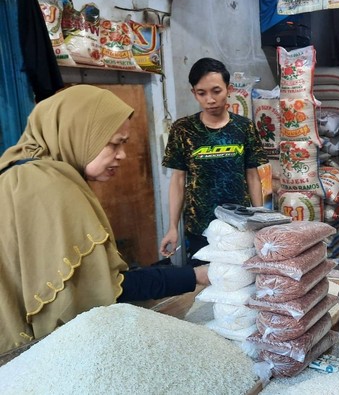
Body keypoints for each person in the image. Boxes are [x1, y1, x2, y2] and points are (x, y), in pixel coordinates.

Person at [0, 85, 210, 355]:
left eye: (123, 143)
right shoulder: (48, 187)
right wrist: (196, 276)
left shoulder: (19, 173)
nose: (121, 154)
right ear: (76, 134)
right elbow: (103, 290)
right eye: (113, 143)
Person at [159, 58, 267, 264]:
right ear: (194, 93)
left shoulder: (244, 127)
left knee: (240, 279)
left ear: (228, 89)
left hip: (239, 224)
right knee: (204, 282)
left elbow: (252, 175)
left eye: (216, 91)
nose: (210, 99)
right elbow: (178, 180)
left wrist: (259, 219)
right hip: (200, 227)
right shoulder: (183, 129)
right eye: (201, 93)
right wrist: (173, 227)